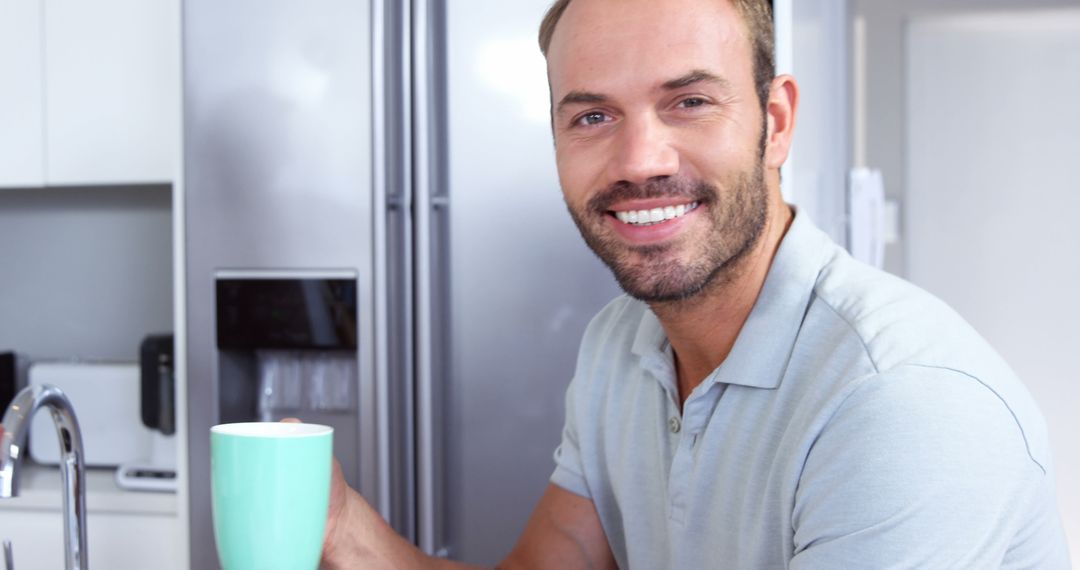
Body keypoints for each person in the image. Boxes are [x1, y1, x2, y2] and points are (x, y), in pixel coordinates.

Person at [319, 0, 1071, 567]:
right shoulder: (621, 343)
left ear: (775, 123)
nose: (640, 158)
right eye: (592, 116)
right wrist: (342, 525)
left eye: (689, 101)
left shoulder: (900, 403)